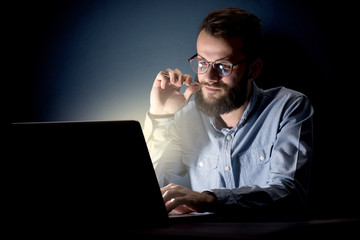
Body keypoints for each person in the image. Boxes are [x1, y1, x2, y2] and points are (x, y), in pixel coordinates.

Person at [143, 7, 313, 216]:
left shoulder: (288, 108)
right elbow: (148, 190)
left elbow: (290, 194)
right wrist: (161, 116)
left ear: (253, 69)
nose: (209, 77)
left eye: (223, 66)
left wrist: (209, 200)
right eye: (203, 63)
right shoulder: (185, 115)